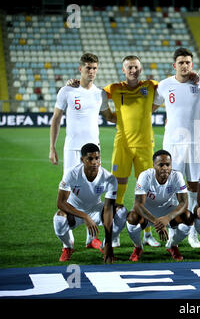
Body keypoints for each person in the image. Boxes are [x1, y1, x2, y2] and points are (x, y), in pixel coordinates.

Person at [50, 52, 116, 250]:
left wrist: (136, 116)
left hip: (94, 150)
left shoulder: (100, 94)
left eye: (95, 68)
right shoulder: (67, 91)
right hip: (72, 149)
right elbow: (56, 118)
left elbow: (110, 116)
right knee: (69, 192)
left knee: (94, 191)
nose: (92, 71)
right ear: (81, 69)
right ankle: (67, 242)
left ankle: (91, 239)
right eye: (88, 67)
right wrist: (52, 147)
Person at [153, 47, 200, 248]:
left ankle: (192, 232)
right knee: (170, 186)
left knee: (194, 187)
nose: (185, 66)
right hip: (173, 143)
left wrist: (196, 114)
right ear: (174, 65)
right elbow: (152, 105)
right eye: (181, 63)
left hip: (194, 141)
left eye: (188, 63)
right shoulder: (165, 85)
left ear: (192, 65)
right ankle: (171, 226)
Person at [103, 55, 160, 247]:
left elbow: (175, 87)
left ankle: (148, 234)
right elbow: (94, 94)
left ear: (141, 68)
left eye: (136, 67)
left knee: (147, 191)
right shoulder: (114, 88)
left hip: (145, 146)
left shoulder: (152, 86)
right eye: (129, 68)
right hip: (123, 145)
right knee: (118, 189)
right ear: (123, 70)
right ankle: (116, 232)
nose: (133, 70)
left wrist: (192, 75)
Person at [52, 143, 126, 263]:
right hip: (75, 211)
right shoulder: (72, 174)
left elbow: (108, 208)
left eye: (97, 158)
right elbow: (61, 203)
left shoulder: (109, 178)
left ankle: (104, 245)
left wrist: (108, 243)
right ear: (82, 160)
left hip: (96, 209)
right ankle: (68, 247)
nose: (94, 162)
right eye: (90, 159)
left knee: (121, 212)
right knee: (59, 219)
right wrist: (85, 216)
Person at [126, 150, 193, 261]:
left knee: (188, 217)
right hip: (147, 213)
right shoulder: (145, 176)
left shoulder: (177, 176)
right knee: (132, 217)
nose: (165, 168)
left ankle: (172, 245)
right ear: (154, 165)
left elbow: (184, 203)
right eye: (161, 165)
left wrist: (167, 218)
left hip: (167, 211)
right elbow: (138, 205)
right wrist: (156, 221)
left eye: (168, 164)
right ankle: (138, 247)